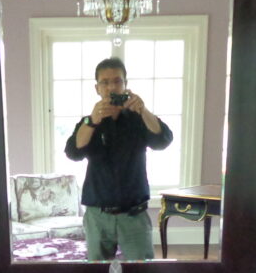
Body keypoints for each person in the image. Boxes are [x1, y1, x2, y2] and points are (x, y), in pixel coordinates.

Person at [64, 57, 174, 261]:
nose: (111, 87)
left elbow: (163, 140)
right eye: (105, 82)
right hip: (98, 215)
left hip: (134, 215)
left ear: (125, 85)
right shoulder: (89, 122)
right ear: (97, 88)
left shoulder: (139, 118)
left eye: (117, 81)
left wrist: (143, 110)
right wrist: (92, 121)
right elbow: (73, 152)